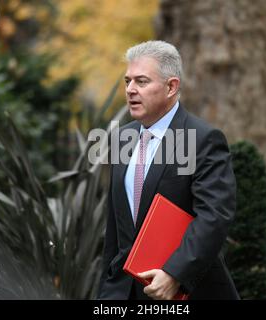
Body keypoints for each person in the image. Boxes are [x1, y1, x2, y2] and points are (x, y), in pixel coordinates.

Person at [98, 40, 239, 300]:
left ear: (171, 86)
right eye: (127, 81)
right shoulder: (121, 138)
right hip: (122, 294)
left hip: (182, 292)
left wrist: (175, 274)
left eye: (141, 82)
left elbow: (214, 216)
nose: (130, 90)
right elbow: (116, 228)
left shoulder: (203, 139)